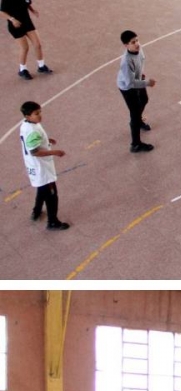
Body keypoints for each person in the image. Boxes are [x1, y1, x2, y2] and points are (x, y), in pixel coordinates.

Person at [18, 101, 69, 230]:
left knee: (41, 188)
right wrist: (55, 152)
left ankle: (36, 211)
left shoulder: (26, 125)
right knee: (51, 195)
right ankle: (53, 222)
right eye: (36, 114)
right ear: (28, 116)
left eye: (40, 112)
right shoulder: (32, 131)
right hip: (41, 168)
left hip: (33, 166)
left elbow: (34, 142)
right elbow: (35, 151)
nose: (40, 115)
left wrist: (46, 140)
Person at [116, 30, 155, 154]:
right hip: (127, 87)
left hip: (137, 79)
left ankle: (138, 120)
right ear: (126, 45)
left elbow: (141, 61)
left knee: (144, 99)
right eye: (133, 42)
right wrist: (147, 82)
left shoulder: (139, 49)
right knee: (135, 111)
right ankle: (135, 144)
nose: (137, 43)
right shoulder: (126, 62)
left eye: (137, 40)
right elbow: (130, 83)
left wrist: (141, 74)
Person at [0, 0, 52, 79]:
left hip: (27, 23)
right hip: (15, 26)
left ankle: (41, 66)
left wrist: (33, 10)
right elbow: (1, 12)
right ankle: (22, 70)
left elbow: (26, 3)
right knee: (25, 48)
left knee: (37, 45)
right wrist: (12, 19)